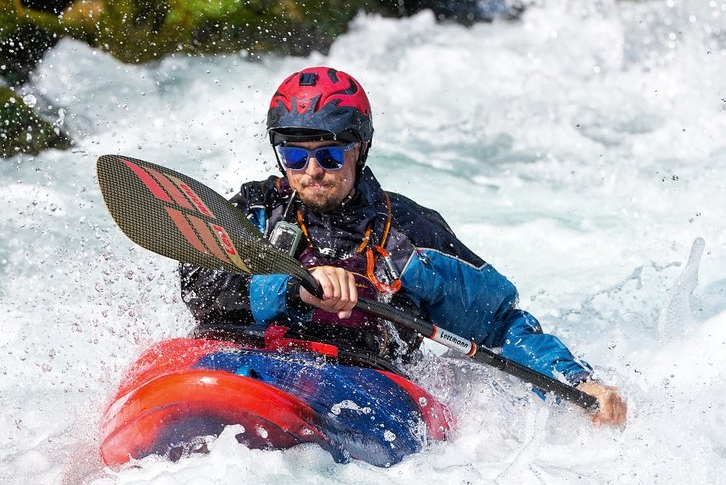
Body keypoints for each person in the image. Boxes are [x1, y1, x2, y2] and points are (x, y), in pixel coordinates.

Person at [180, 66, 626, 426]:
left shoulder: (411, 239)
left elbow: (499, 327)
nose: (311, 170)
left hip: (357, 384)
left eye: (329, 155)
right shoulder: (255, 211)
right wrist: (290, 286)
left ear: (361, 148)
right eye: (295, 156)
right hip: (241, 361)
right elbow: (196, 285)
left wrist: (576, 381)